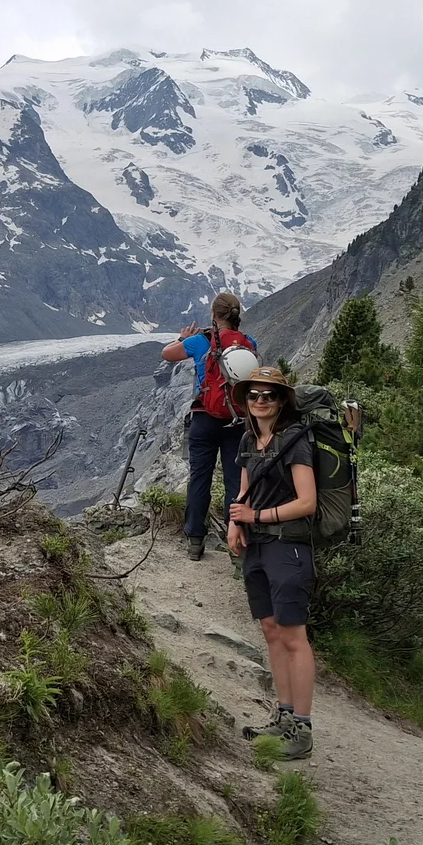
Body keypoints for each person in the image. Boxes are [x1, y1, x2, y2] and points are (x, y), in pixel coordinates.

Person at [224, 366, 318, 760]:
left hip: (288, 546)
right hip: (258, 546)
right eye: (253, 395)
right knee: (271, 630)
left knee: (294, 636)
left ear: (282, 401)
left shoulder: (295, 442)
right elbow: (246, 489)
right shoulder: (248, 438)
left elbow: (306, 502)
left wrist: (256, 519)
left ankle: (302, 727)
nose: (260, 401)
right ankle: (283, 714)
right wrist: (235, 523)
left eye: (268, 395)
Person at [159, 293, 256, 560]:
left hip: (204, 418)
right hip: (238, 421)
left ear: (214, 314)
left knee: (199, 477)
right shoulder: (248, 342)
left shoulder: (201, 341)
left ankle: (195, 540)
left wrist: (182, 338)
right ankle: (236, 540)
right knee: (236, 482)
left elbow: (167, 354)